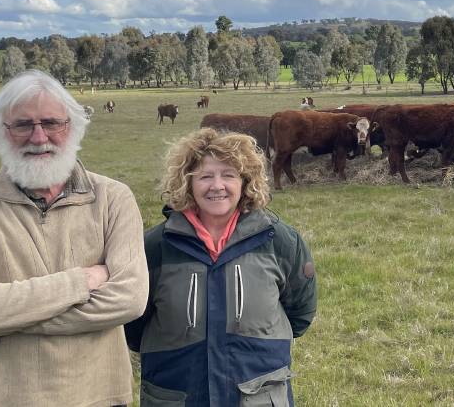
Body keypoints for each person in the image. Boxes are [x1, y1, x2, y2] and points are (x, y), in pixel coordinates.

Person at [0, 69, 148, 406]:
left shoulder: (113, 199)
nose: (38, 137)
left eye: (51, 123)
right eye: (22, 125)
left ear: (73, 128)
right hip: (0, 398)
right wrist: (84, 280)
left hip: (97, 396)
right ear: (1, 132)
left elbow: (130, 300)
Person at [125, 128, 316, 406]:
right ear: (187, 183)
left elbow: (300, 313)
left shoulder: (281, 241)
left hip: (258, 395)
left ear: (245, 181)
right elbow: (134, 322)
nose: (217, 186)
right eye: (205, 176)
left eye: (228, 175)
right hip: (177, 393)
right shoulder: (155, 247)